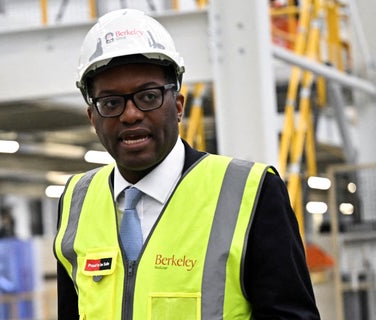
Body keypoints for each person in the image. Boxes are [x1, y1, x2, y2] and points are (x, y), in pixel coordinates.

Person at [53, 9, 320, 319]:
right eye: (111, 103)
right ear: (92, 118)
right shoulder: (77, 200)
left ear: (177, 106)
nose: (130, 115)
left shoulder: (249, 193)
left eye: (148, 97)